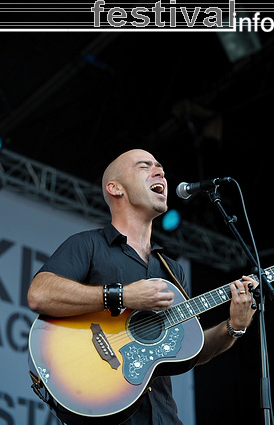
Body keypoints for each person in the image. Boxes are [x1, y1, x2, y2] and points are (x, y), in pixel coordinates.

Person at [27, 149, 258, 425]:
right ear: (115, 188)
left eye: (160, 166)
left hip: (163, 417)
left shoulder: (171, 270)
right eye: (144, 166)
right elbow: (40, 294)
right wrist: (121, 295)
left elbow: (188, 352)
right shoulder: (88, 245)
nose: (160, 172)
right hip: (109, 414)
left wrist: (233, 327)